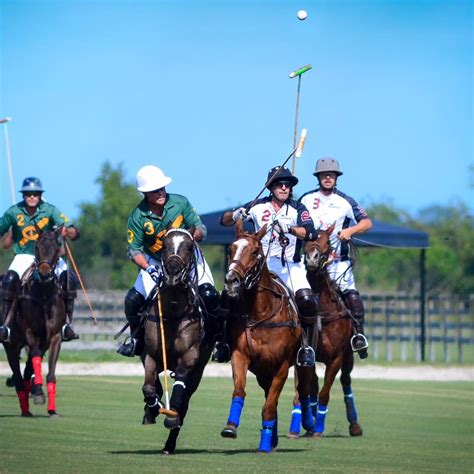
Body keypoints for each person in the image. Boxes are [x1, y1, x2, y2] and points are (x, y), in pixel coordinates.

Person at [219, 165, 319, 367]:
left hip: (289, 265)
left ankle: (306, 347)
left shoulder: (298, 209)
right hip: (259, 266)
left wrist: (289, 228)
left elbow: (311, 233)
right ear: (270, 187)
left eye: (287, 185)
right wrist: (236, 214)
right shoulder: (257, 206)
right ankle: (224, 343)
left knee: (307, 300)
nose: (284, 188)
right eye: (279, 185)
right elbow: (224, 221)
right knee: (228, 296)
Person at [117, 165, 219, 357]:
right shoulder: (138, 215)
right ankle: (136, 340)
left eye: (162, 188)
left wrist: (190, 236)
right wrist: (148, 268)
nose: (161, 192)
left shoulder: (180, 203)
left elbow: (199, 228)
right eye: (155, 190)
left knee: (210, 295)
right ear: (146, 193)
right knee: (133, 300)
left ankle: (217, 340)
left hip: (188, 258)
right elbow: (134, 249)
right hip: (155, 262)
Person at [299, 158, 372, 359]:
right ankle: (298, 340)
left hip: (337, 261)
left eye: (331, 175)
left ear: (336, 178)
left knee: (351, 295)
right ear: (319, 178)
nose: (328, 178)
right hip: (310, 264)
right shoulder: (306, 200)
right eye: (324, 175)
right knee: (300, 297)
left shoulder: (345, 201)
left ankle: (358, 335)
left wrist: (351, 230)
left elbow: (367, 223)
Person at [0, 177, 80, 342]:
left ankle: (66, 324)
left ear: (40, 195)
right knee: (9, 281)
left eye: (35, 194)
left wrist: (69, 231)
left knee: (69, 279)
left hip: (48, 258)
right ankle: (5, 326)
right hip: (24, 255)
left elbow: (71, 229)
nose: (31, 197)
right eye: (28, 194)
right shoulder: (13, 212)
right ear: (23, 195)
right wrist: (7, 236)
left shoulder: (50, 210)